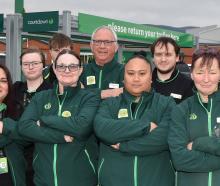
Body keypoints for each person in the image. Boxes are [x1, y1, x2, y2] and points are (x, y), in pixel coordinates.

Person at [18, 49, 99, 186]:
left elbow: (82, 127)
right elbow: (24, 127)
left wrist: (45, 120)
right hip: (44, 180)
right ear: (54, 69)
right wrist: (60, 136)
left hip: (81, 180)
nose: (66, 70)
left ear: (80, 70)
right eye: (61, 66)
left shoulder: (90, 98)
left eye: (72, 66)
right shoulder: (41, 97)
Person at [94, 55, 176, 186]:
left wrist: (124, 145)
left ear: (151, 77)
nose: (136, 79)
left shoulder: (166, 104)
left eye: (142, 73)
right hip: (113, 181)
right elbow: (102, 128)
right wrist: (146, 126)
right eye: (130, 73)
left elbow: (165, 137)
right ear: (123, 78)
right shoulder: (110, 104)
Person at [168, 48, 220, 186]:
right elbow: (179, 160)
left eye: (213, 72)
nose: (206, 79)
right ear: (191, 74)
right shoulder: (180, 111)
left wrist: (198, 143)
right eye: (200, 72)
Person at [80, 25, 124, 99]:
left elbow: (131, 95)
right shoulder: (80, 71)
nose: (102, 46)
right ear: (91, 46)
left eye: (107, 42)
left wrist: (86, 93)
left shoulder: (125, 72)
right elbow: (74, 95)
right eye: (98, 41)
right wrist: (107, 93)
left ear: (116, 47)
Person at [0, 64, 25, 185]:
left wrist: (5, 126)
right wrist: (12, 131)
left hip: (14, 179)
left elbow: (27, 137)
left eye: (3, 81)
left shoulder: (18, 109)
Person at [151, 37, 194, 104]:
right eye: (158, 54)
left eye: (168, 54)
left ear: (177, 57)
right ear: (153, 58)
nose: (163, 59)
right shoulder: (144, 82)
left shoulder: (188, 85)